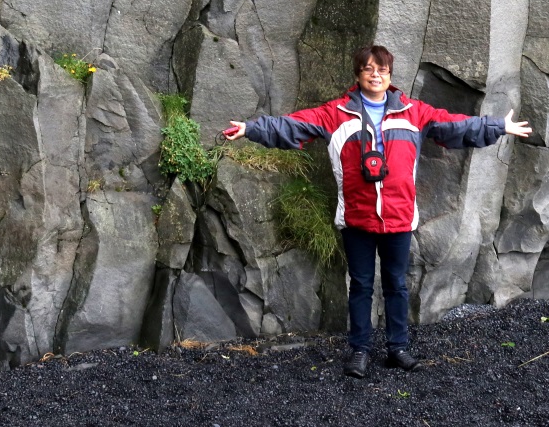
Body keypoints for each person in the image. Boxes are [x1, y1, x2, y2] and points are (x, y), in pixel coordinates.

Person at [225, 45, 531, 378]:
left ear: (390, 75)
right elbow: (293, 125)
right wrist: (251, 129)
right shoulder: (336, 113)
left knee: (397, 285)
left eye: (382, 70)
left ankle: (397, 348)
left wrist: (497, 127)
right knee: (360, 285)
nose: (375, 75)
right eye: (368, 69)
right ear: (358, 74)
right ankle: (359, 350)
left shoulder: (413, 112)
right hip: (357, 217)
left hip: (399, 217)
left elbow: (454, 126)